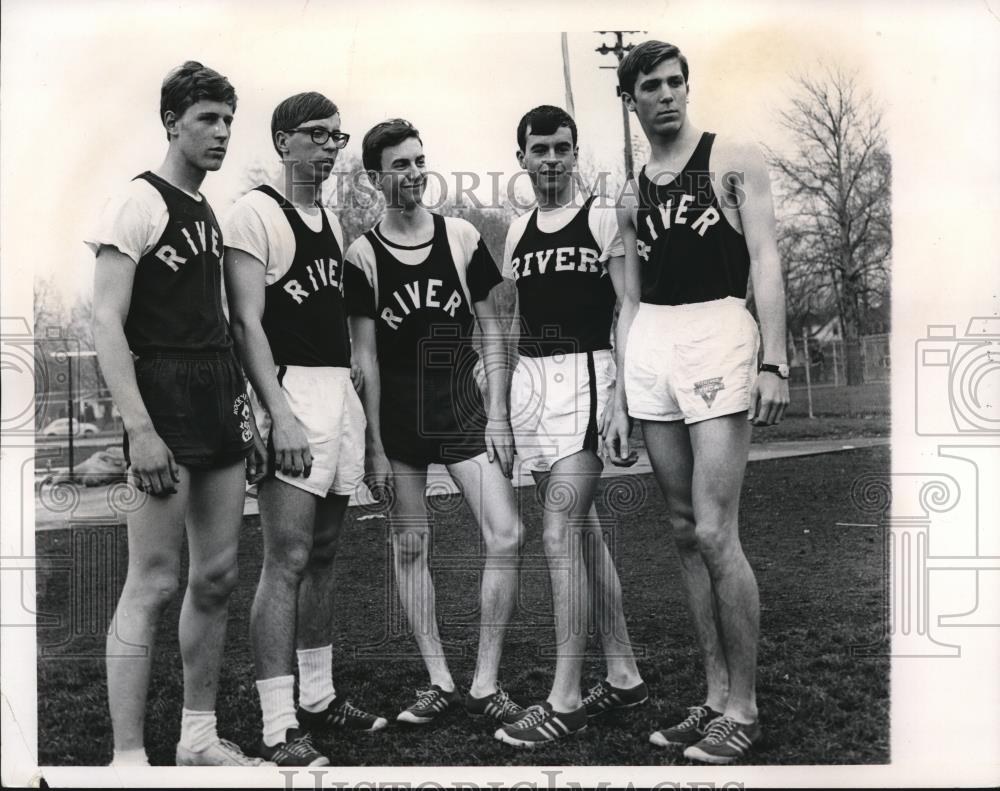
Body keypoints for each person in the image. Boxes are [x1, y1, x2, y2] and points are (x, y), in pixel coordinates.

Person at [605, 40, 789, 764]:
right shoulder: (628, 192)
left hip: (719, 329)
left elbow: (767, 258)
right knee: (683, 529)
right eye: (652, 85)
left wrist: (775, 358)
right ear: (631, 99)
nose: (668, 94)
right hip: (654, 340)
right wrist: (621, 393)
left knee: (717, 531)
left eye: (677, 82)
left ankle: (744, 708)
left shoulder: (731, 158)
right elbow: (626, 299)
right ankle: (714, 698)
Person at [89, 61, 267, 767]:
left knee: (218, 574)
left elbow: (218, 321)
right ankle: (128, 756)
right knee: (154, 578)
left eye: (228, 119)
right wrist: (138, 427)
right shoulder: (137, 201)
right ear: (171, 122)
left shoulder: (206, 211)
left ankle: (198, 737)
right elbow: (105, 320)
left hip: (217, 394)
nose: (221, 132)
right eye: (207, 119)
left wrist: (246, 412)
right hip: (160, 400)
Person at [223, 92, 388, 768]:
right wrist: (277, 412)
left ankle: (318, 697)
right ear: (283, 140)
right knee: (284, 559)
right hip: (289, 390)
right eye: (316, 136)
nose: (329, 147)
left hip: (334, 391)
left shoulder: (332, 218)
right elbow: (244, 323)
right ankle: (276, 723)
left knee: (322, 554)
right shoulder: (254, 212)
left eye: (336, 137)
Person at [344, 118, 525, 729]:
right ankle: (438, 680)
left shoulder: (463, 237)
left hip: (462, 408)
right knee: (411, 545)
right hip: (400, 418)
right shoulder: (362, 255)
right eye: (400, 165)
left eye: (420, 160)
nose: (415, 173)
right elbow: (363, 359)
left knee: (506, 534)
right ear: (376, 177)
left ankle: (485, 681)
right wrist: (372, 445)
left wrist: (497, 411)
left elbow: (495, 326)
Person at [493, 106, 646, 748]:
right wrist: (499, 410)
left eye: (562, 148)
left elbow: (630, 308)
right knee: (581, 534)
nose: (551, 159)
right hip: (533, 383)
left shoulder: (602, 216)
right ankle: (624, 673)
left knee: (559, 529)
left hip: (590, 375)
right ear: (522, 157)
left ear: (575, 153)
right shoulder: (517, 228)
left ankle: (565, 697)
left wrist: (622, 402)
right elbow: (505, 322)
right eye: (539, 149)